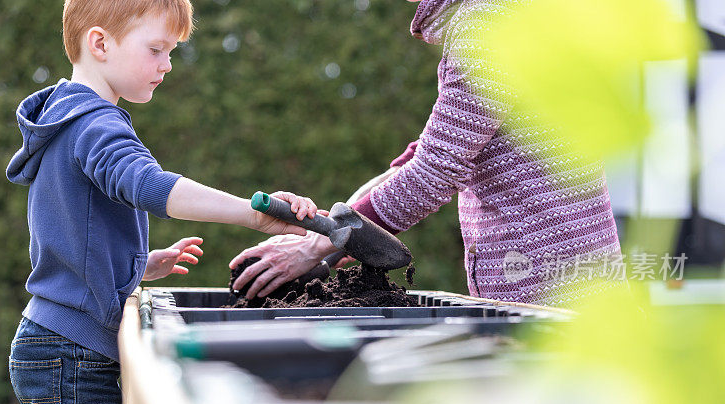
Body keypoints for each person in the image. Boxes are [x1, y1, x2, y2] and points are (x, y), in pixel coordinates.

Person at [5, 0, 317, 404]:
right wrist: (254, 212)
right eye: (156, 49)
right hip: (71, 354)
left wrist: (139, 264)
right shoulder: (94, 124)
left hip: (57, 344)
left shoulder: (64, 120)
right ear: (99, 44)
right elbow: (149, 186)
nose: (167, 64)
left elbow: (70, 241)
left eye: (171, 52)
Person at [230, 0, 622, 307]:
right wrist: (325, 234)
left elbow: (434, 173)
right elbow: (429, 152)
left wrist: (319, 244)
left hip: (549, 292)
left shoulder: (488, 21)